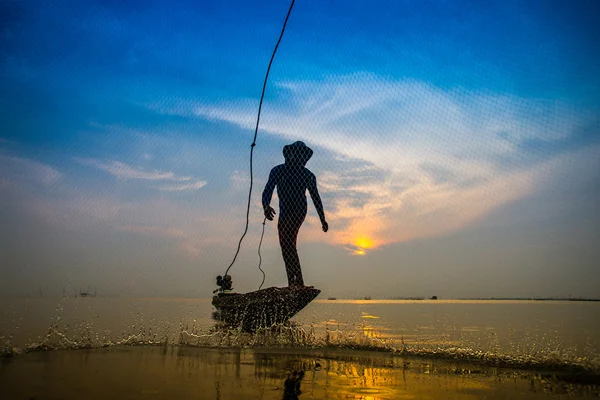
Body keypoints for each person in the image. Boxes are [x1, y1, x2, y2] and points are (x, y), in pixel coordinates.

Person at [262, 141, 328, 287]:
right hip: (284, 213)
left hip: (298, 211)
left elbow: (316, 197)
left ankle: (297, 282)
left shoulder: (307, 175)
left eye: (301, 155)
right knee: (285, 245)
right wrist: (266, 206)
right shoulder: (278, 171)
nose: (298, 158)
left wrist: (322, 219)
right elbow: (268, 190)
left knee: (287, 241)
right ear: (289, 154)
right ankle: (293, 282)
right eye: (295, 154)